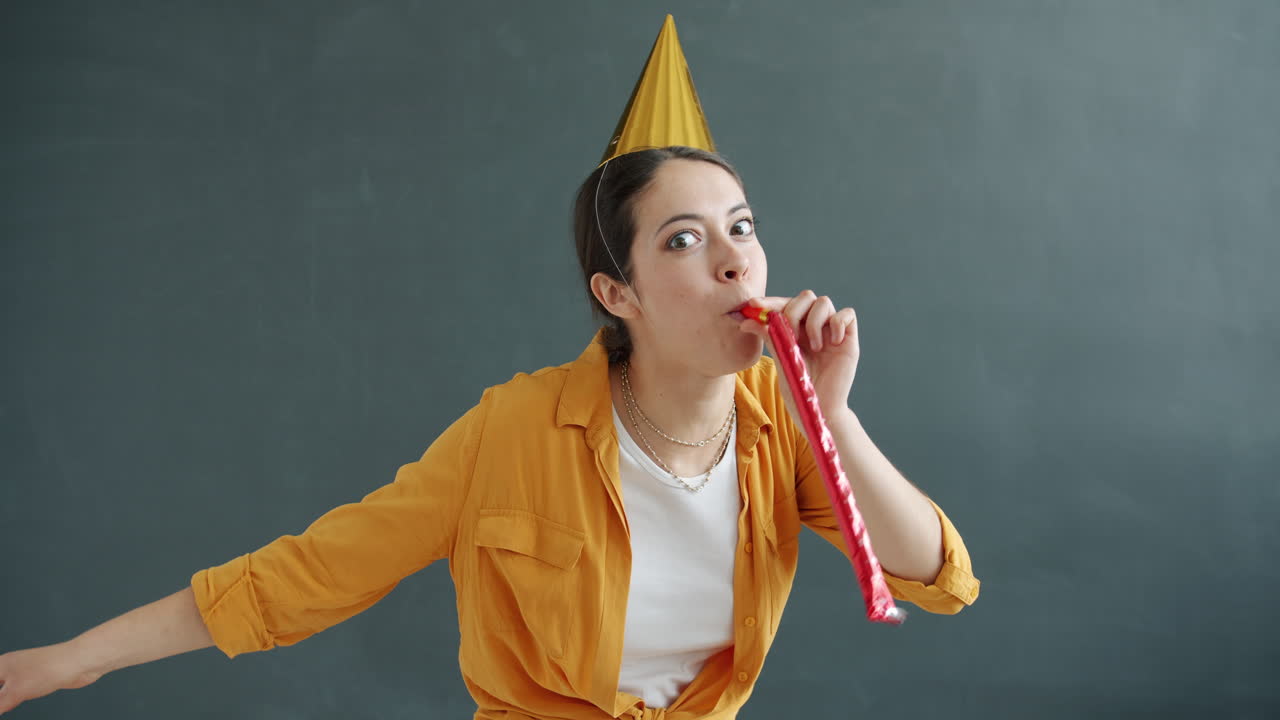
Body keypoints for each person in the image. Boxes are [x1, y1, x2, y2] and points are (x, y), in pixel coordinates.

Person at [0, 16, 979, 720]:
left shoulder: (782, 424)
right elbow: (300, 579)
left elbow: (936, 578)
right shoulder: (508, 435)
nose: (733, 261)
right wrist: (72, 662)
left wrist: (832, 419)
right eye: (682, 241)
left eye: (742, 230)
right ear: (616, 294)